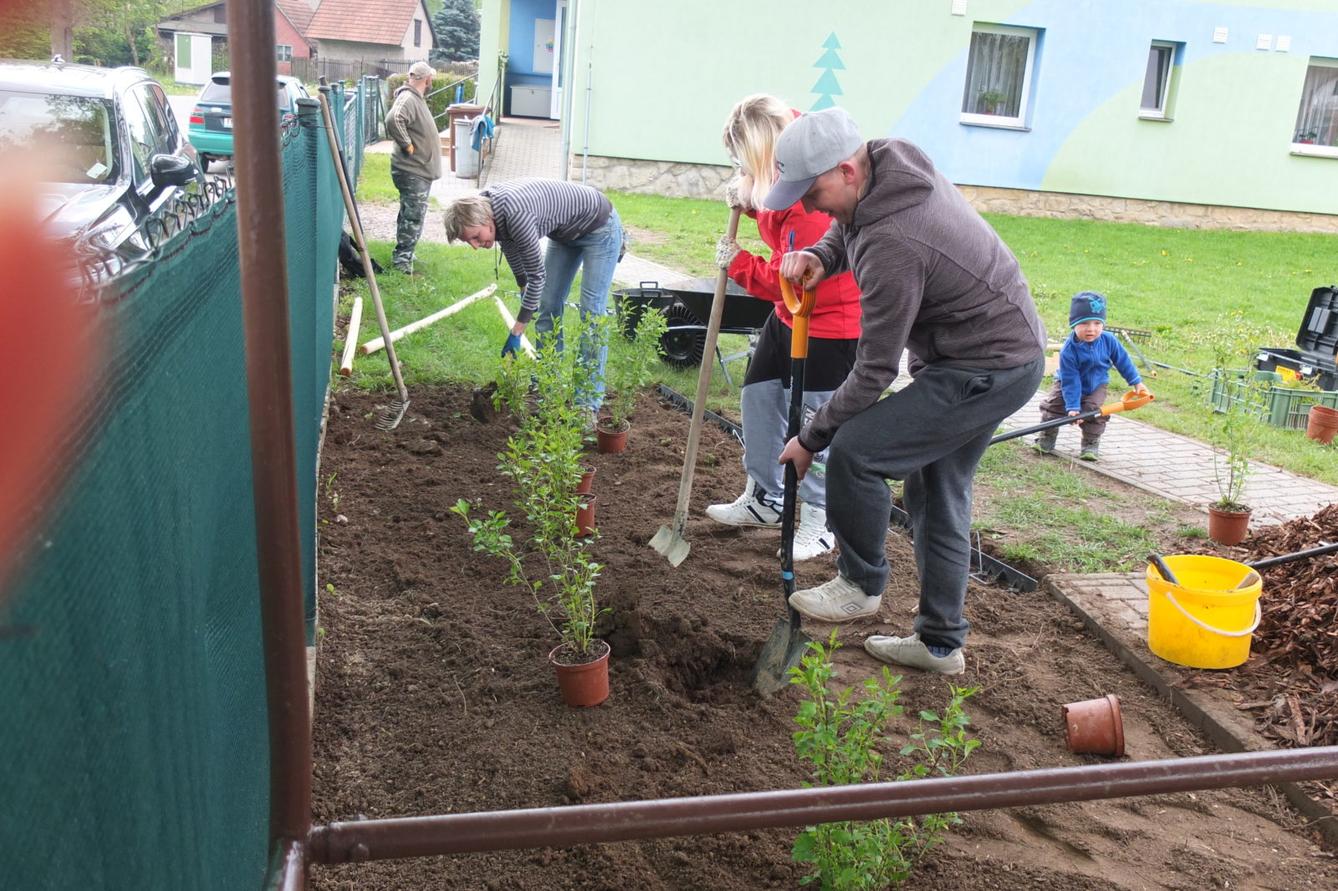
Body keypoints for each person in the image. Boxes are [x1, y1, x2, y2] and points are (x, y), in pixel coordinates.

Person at [769, 107, 1047, 675]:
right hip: (993, 353)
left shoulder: (894, 243)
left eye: (813, 189)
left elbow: (874, 373)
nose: (809, 205)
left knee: (858, 451)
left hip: (985, 367)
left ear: (847, 169)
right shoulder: (885, 167)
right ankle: (941, 644)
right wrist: (821, 256)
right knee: (936, 490)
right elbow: (851, 223)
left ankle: (860, 583)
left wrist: (810, 437)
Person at [706, 95, 862, 561]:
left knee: (814, 423)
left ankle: (819, 519)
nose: (743, 168)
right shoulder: (783, 166)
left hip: (829, 321)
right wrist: (751, 205)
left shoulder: (813, 195)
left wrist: (739, 265)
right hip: (789, 317)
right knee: (759, 396)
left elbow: (792, 275)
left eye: (745, 162)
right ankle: (765, 498)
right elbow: (777, 216)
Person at [441, 179, 624, 412]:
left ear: (486, 220)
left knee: (592, 313)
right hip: (565, 234)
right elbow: (512, 252)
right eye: (470, 242)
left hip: (600, 227)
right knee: (548, 305)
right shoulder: (491, 210)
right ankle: (546, 387)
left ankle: (587, 403)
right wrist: (522, 288)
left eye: (476, 237)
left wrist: (517, 331)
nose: (476, 246)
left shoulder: (515, 212)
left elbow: (538, 275)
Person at [1035, 292, 1149, 461]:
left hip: (1096, 385)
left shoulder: (1109, 340)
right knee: (1054, 406)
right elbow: (1071, 379)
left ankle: (1090, 443)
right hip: (1066, 383)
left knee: (1094, 412)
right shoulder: (1069, 349)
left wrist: (1136, 382)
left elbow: (1123, 361)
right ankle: (1047, 436)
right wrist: (1072, 406)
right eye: (1085, 323)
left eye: (1097, 323)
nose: (1091, 329)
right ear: (1073, 324)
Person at [384, 61, 441, 274]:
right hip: (412, 171)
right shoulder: (407, 98)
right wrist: (407, 145)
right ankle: (402, 261)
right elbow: (393, 119)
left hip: (418, 171)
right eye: (431, 78)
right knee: (413, 215)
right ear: (427, 79)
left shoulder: (414, 98)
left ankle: (406, 253)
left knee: (410, 213)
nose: (431, 81)